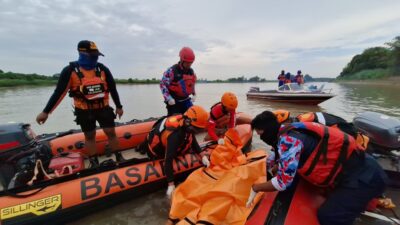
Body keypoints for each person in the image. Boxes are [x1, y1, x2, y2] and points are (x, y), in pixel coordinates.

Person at [246, 111, 387, 225]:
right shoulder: (291, 129)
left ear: (266, 130)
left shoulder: (289, 140)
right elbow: (282, 159)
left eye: (260, 134)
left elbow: (283, 183)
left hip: (363, 177)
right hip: (360, 168)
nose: (261, 138)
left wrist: (255, 188)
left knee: (329, 217)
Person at [36, 40, 124, 167]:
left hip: (103, 107)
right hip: (84, 110)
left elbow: (112, 88)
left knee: (111, 132)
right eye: (92, 55)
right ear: (82, 53)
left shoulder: (103, 69)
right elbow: (59, 93)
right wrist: (46, 112)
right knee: (89, 136)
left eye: (96, 55)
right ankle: (94, 162)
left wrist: (119, 106)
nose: (95, 58)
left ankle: (119, 157)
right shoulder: (70, 71)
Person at [139, 105, 210, 198]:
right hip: (156, 150)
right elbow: (168, 160)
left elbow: (192, 139)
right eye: (196, 129)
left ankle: (141, 146)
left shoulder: (185, 123)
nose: (197, 131)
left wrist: (202, 155)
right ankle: (142, 147)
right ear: (188, 122)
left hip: (164, 139)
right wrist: (171, 184)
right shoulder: (175, 135)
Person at [160, 47, 197, 116]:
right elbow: (162, 84)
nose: (189, 65)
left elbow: (191, 84)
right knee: (175, 122)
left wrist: (194, 94)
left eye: (191, 63)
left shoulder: (191, 71)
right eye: (187, 63)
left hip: (186, 100)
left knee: (193, 115)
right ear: (182, 60)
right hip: (174, 102)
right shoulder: (172, 71)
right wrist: (168, 98)